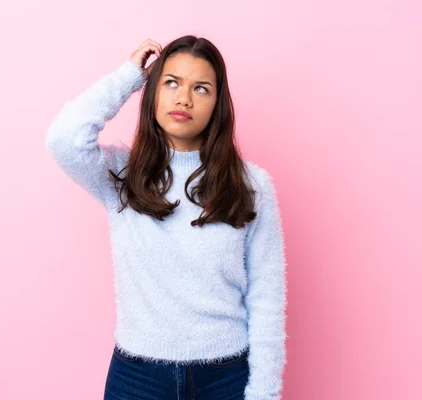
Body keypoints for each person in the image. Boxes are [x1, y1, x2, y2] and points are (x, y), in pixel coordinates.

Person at [45, 35, 288, 400]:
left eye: (201, 88)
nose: (183, 98)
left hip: (225, 378)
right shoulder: (122, 175)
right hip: (137, 377)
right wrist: (129, 77)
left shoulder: (252, 185)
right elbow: (64, 138)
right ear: (152, 92)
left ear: (217, 104)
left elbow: (267, 298)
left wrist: (264, 392)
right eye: (171, 82)